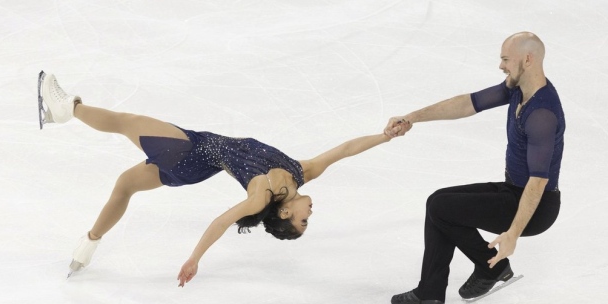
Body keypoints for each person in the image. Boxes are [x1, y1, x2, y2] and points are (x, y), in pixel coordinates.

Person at [37, 71, 411, 286]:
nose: (310, 212)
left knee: (124, 123)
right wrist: (385, 136)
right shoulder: (302, 172)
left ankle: (66, 107)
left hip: (189, 153)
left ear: (284, 214)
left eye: (304, 220)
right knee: (125, 185)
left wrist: (194, 258)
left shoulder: (261, 195)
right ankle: (87, 246)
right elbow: (346, 149)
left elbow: (220, 222)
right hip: (193, 166)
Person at [384, 32, 565, 304]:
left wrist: (513, 234)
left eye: (506, 59)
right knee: (439, 201)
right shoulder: (518, 88)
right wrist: (412, 118)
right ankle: (480, 271)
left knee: (441, 209)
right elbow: (469, 103)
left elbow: (538, 182)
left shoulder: (542, 114)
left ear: (528, 60)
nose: (501, 66)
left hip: (537, 206)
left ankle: (432, 292)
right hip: (514, 190)